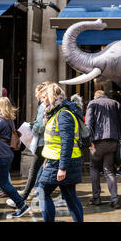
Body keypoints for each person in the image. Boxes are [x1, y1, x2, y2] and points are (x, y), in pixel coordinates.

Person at [36, 83, 84, 222]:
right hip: (59, 161)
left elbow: (67, 142)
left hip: (60, 163)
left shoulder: (63, 114)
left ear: (52, 97)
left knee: (43, 192)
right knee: (70, 197)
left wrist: (62, 168)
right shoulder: (58, 112)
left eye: (44, 97)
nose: (42, 100)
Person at [6, 82, 50, 208]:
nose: (35, 95)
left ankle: (23, 198)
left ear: (42, 93)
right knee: (42, 168)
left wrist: (32, 129)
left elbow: (40, 125)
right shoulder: (49, 104)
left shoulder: (43, 105)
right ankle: (35, 192)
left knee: (34, 169)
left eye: (37, 92)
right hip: (47, 141)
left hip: (42, 142)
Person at [86, 90, 121, 208]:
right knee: (109, 170)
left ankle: (96, 197)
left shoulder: (92, 103)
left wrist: (88, 141)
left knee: (94, 168)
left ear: (96, 96)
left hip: (97, 142)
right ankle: (115, 199)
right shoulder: (115, 103)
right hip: (112, 141)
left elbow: (88, 124)